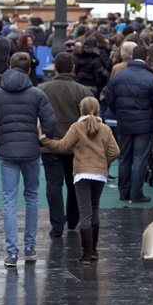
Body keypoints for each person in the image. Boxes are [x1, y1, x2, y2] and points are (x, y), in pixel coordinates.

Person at [0, 52, 56, 265]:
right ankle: (29, 247)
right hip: (31, 151)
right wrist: (40, 139)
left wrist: (1, 141)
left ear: (9, 66)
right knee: (31, 197)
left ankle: (11, 253)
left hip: (8, 152)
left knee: (9, 200)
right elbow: (50, 123)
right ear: (29, 70)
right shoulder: (37, 94)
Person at [40, 97, 119, 265]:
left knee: (85, 212)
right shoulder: (105, 129)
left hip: (82, 173)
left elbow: (61, 146)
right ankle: (94, 250)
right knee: (95, 208)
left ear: (80, 110)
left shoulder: (76, 127)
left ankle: (86, 254)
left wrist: (45, 141)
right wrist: (103, 162)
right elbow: (115, 151)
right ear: (98, 110)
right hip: (100, 174)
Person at [104, 45, 153, 204]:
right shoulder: (151, 78)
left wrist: (119, 111)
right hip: (145, 125)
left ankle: (124, 191)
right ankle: (136, 193)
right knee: (140, 159)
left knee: (124, 157)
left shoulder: (119, 76)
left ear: (131, 57)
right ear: (146, 59)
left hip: (124, 122)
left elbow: (108, 97)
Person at [39, 53, 90, 237]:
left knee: (53, 184)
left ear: (55, 69)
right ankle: (73, 220)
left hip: (50, 144)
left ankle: (57, 225)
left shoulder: (42, 88)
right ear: (73, 68)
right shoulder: (83, 91)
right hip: (76, 146)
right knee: (74, 183)